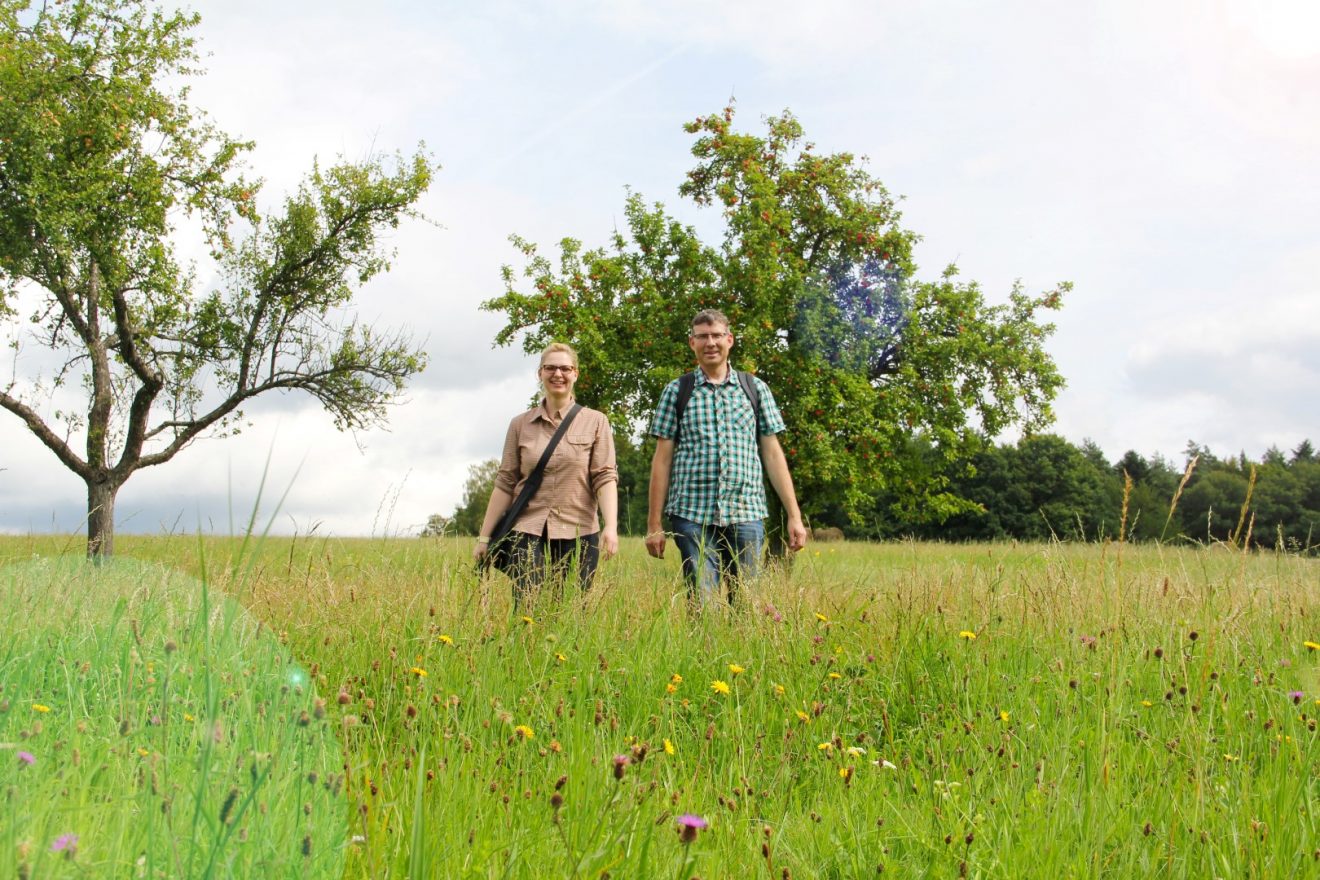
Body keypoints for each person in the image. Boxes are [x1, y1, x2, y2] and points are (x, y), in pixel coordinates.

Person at [645, 309, 807, 604]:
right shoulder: (677, 391)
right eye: (702, 336)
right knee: (702, 601)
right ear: (691, 343)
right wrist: (654, 525)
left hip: (746, 511)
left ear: (729, 340)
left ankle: (743, 650)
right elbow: (662, 460)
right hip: (691, 514)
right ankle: (704, 651)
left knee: (746, 603)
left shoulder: (755, 389)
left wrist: (794, 516)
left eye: (717, 335)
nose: (710, 343)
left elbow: (772, 454)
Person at [473, 343, 618, 600]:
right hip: (528, 528)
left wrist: (611, 527)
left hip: (579, 530)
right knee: (528, 606)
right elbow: (505, 482)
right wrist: (484, 538)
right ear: (540, 373)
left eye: (565, 368)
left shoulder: (597, 421)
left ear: (576, 373)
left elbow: (604, 477)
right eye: (550, 368)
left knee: (573, 612)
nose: (557, 374)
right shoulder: (520, 424)